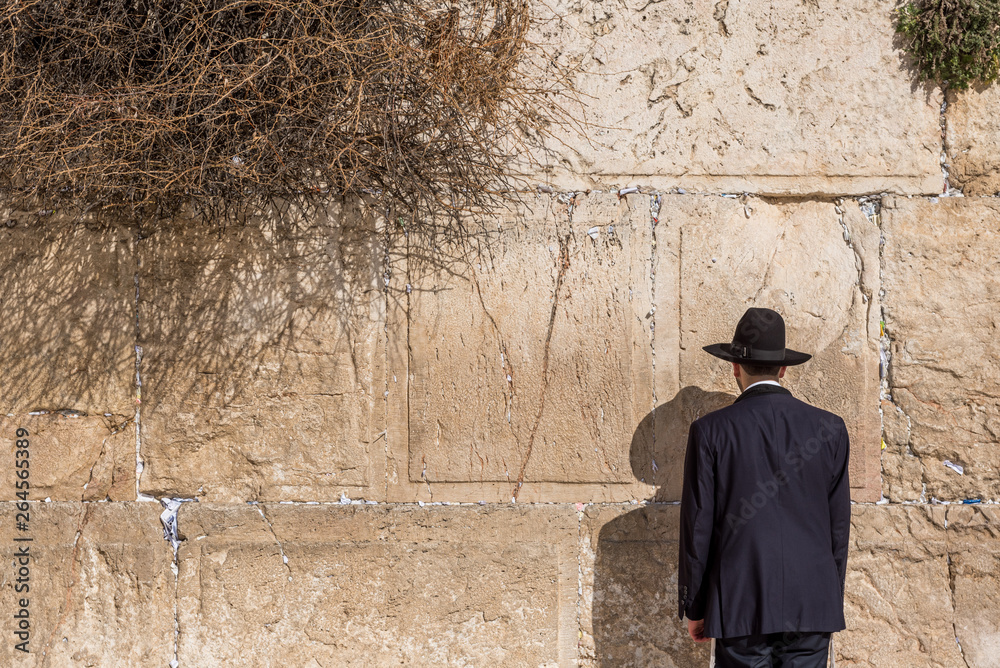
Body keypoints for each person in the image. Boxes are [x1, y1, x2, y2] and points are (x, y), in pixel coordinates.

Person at [677, 307, 851, 668]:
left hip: (740, 604)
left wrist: (695, 605)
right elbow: (838, 527)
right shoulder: (830, 429)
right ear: (783, 368)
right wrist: (828, 596)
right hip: (812, 603)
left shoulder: (711, 431)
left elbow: (698, 527)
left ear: (735, 367)